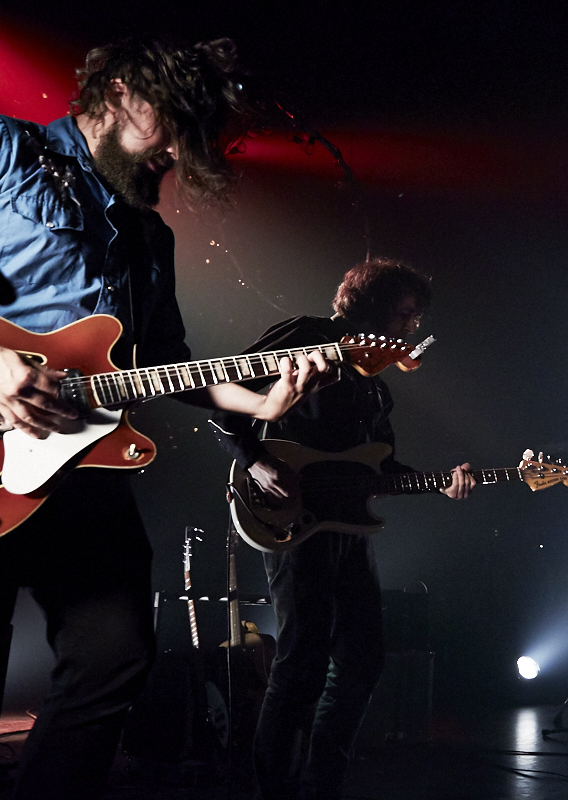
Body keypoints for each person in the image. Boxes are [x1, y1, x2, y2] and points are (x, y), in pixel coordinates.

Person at [0, 37, 333, 800]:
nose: (176, 149)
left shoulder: (146, 235)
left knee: (117, 660)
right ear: (123, 88)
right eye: (172, 123)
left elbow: (167, 362)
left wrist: (259, 402)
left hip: (79, 468)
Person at [209, 258, 475, 800]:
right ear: (371, 307)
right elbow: (218, 394)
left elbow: (379, 470)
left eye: (415, 318)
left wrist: (442, 482)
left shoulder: (376, 387)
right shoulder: (307, 335)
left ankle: (320, 783)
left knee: (363, 660)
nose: (411, 329)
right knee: (301, 661)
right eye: (405, 314)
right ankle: (272, 790)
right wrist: (256, 460)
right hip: (294, 520)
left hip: (348, 531)